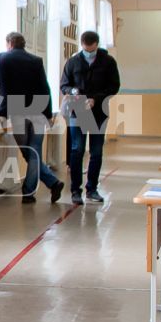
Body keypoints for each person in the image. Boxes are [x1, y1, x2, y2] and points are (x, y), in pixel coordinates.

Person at [0, 32, 63, 204]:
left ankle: (32, 191)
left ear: (9, 43)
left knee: (29, 152)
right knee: (34, 150)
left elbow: (2, 87)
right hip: (38, 111)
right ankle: (49, 184)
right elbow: (44, 88)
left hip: (18, 112)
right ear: (24, 44)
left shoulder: (1, 59)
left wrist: (1, 112)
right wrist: (48, 114)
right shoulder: (36, 60)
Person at [58, 29, 118, 203]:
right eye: (85, 50)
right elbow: (64, 84)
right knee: (77, 150)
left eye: (91, 50)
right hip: (79, 110)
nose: (89, 53)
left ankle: (92, 189)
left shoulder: (108, 62)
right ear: (81, 45)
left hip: (99, 112)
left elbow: (114, 86)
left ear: (97, 46)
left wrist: (95, 99)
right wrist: (72, 91)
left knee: (96, 151)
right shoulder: (73, 62)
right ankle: (75, 190)